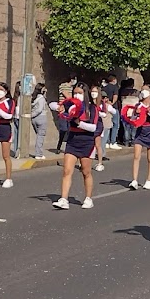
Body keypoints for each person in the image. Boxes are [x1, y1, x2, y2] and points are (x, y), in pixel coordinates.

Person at [52, 82, 99, 210]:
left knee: (86, 172)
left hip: (86, 142)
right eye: (75, 93)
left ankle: (88, 198)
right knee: (67, 170)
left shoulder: (92, 108)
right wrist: (60, 108)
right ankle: (63, 199)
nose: (77, 95)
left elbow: (93, 127)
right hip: (72, 140)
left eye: (80, 93)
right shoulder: (70, 106)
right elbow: (53, 104)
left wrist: (80, 124)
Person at [128, 85, 150, 190]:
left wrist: (149, 112)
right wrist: (136, 114)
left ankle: (149, 180)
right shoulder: (138, 105)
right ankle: (134, 180)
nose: (143, 92)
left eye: (146, 90)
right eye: (142, 90)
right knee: (136, 156)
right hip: (140, 131)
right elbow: (132, 119)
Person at [91, 84, 113, 172]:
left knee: (98, 145)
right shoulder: (88, 102)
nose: (93, 93)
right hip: (88, 124)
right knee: (88, 145)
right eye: (92, 91)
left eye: (95, 92)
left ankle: (100, 163)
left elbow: (104, 114)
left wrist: (97, 112)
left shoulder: (101, 103)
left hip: (97, 125)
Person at [30, 83, 49, 160]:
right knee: (40, 136)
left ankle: (39, 152)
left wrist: (32, 116)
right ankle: (39, 154)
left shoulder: (34, 98)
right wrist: (32, 115)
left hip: (34, 119)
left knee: (38, 136)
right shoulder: (41, 99)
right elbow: (39, 109)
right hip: (41, 118)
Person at [103, 74, 121, 149]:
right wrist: (112, 103)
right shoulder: (115, 87)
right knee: (115, 125)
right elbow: (115, 96)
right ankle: (113, 142)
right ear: (114, 80)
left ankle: (106, 141)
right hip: (113, 108)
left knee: (107, 125)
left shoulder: (104, 88)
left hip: (105, 107)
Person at [11, 81, 22, 158]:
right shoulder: (22, 97)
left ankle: (15, 151)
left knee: (16, 134)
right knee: (19, 135)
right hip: (19, 117)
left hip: (15, 117)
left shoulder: (15, 97)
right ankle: (18, 152)